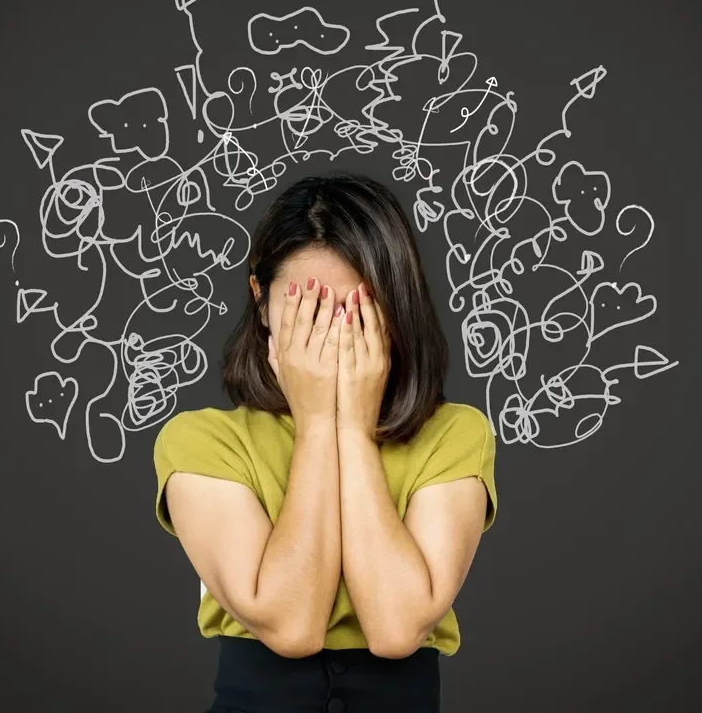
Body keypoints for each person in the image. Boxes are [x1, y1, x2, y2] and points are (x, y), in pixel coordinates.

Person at [153, 172, 498, 713]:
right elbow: (289, 624)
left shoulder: (455, 434)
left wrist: (353, 431)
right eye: (308, 312)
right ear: (261, 301)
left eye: (356, 313)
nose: (333, 338)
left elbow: (398, 626)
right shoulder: (200, 442)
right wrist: (316, 425)